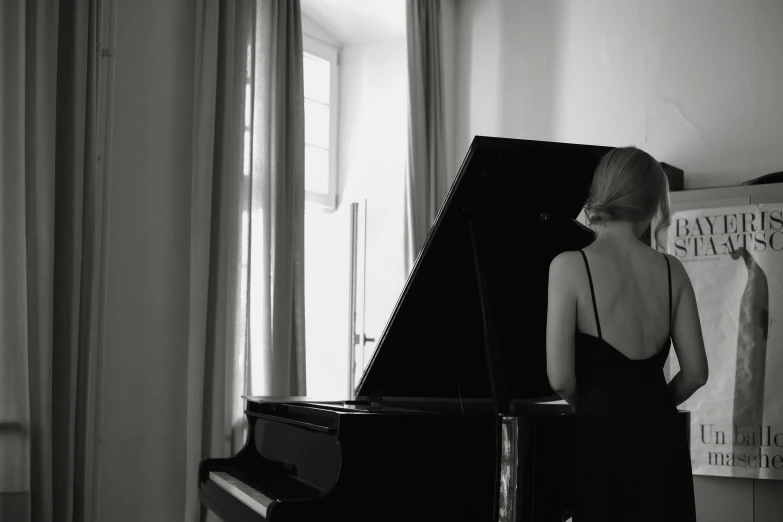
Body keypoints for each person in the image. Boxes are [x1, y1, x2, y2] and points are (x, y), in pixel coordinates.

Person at [546, 146, 709, 521]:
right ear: (653, 204)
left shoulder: (568, 267)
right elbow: (696, 373)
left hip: (601, 437)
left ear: (599, 191)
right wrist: (649, 406)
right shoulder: (673, 270)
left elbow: (560, 378)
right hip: (660, 437)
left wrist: (602, 405)